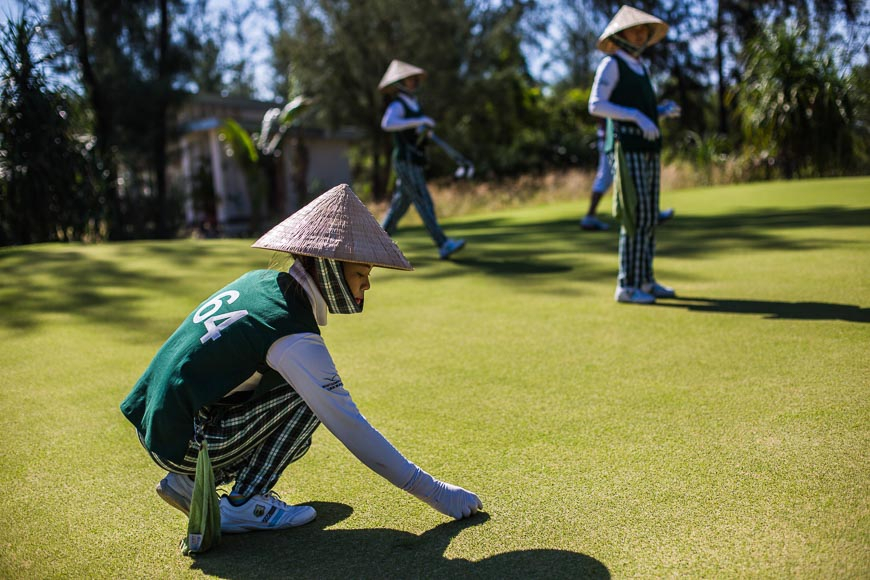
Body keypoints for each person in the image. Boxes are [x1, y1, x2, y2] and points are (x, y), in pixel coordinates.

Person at [120, 184, 482, 534]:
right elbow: (349, 424)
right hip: (184, 442)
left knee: (296, 390)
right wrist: (435, 492)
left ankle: (189, 482)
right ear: (328, 270)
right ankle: (245, 503)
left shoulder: (260, 281)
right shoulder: (291, 332)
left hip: (163, 425)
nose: (367, 285)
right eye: (360, 274)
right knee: (310, 399)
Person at [588, 5, 681, 304]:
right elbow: (596, 104)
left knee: (649, 217)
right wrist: (634, 116)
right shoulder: (611, 64)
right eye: (635, 29)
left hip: (649, 149)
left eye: (645, 30)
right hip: (627, 149)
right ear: (621, 34)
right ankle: (626, 284)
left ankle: (645, 279)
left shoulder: (641, 67)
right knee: (635, 216)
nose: (641, 34)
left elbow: (642, 109)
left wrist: (659, 112)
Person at [378, 60, 466, 260]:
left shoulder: (413, 103)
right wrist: (420, 121)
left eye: (415, 79)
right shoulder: (397, 104)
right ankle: (443, 244)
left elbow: (411, 130)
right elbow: (388, 124)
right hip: (404, 160)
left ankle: (376, 244)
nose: (414, 82)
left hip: (415, 160)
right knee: (423, 201)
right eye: (410, 79)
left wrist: (423, 130)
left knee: (399, 206)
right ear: (400, 82)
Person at [580, 121, 675, 231]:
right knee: (605, 179)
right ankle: (590, 216)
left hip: (614, 139)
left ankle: (651, 212)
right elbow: (599, 113)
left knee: (631, 177)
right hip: (611, 140)